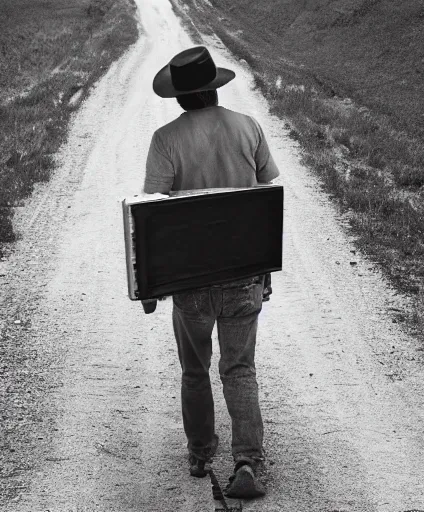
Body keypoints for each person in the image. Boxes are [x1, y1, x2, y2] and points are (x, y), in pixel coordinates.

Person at [143, 46, 280, 499]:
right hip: (243, 274)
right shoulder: (248, 127)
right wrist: (264, 270)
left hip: (191, 280)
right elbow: (266, 198)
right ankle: (248, 462)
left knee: (195, 369)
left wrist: (150, 284)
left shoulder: (166, 139)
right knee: (240, 368)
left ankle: (201, 453)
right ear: (215, 90)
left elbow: (153, 216)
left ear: (181, 98)